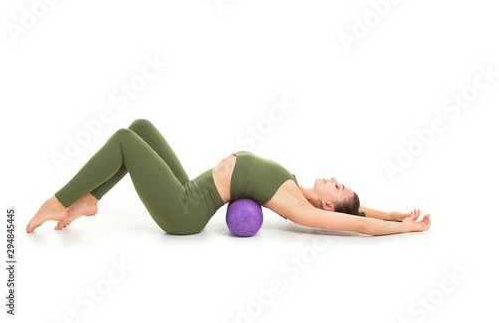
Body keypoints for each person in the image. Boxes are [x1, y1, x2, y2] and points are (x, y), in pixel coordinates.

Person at [26, 119, 431, 235]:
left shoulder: (299, 208)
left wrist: (403, 231)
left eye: (338, 187)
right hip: (189, 189)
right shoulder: (295, 183)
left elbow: (354, 221)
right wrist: (396, 213)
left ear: (327, 203)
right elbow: (362, 210)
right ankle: (89, 199)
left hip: (182, 213)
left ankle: (58, 201)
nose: (335, 180)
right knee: (141, 127)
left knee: (122, 141)